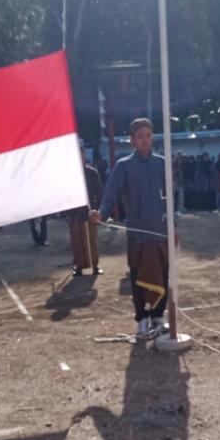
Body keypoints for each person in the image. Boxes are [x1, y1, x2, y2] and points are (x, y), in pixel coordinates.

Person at [91, 118, 170, 338]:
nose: (145, 140)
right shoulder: (123, 166)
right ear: (132, 140)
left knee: (163, 274)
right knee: (138, 277)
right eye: (140, 136)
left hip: (160, 231)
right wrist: (102, 213)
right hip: (137, 234)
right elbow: (110, 195)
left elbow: (169, 199)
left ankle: (158, 317)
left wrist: (173, 227)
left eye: (148, 135)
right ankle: (142, 320)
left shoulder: (162, 164)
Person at [68, 145, 103, 276]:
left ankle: (95, 266)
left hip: (89, 211)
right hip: (75, 212)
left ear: (85, 156)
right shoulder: (69, 174)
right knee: (76, 241)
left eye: (81, 155)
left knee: (92, 240)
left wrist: (97, 209)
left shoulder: (92, 173)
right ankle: (78, 266)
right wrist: (68, 214)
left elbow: (99, 192)